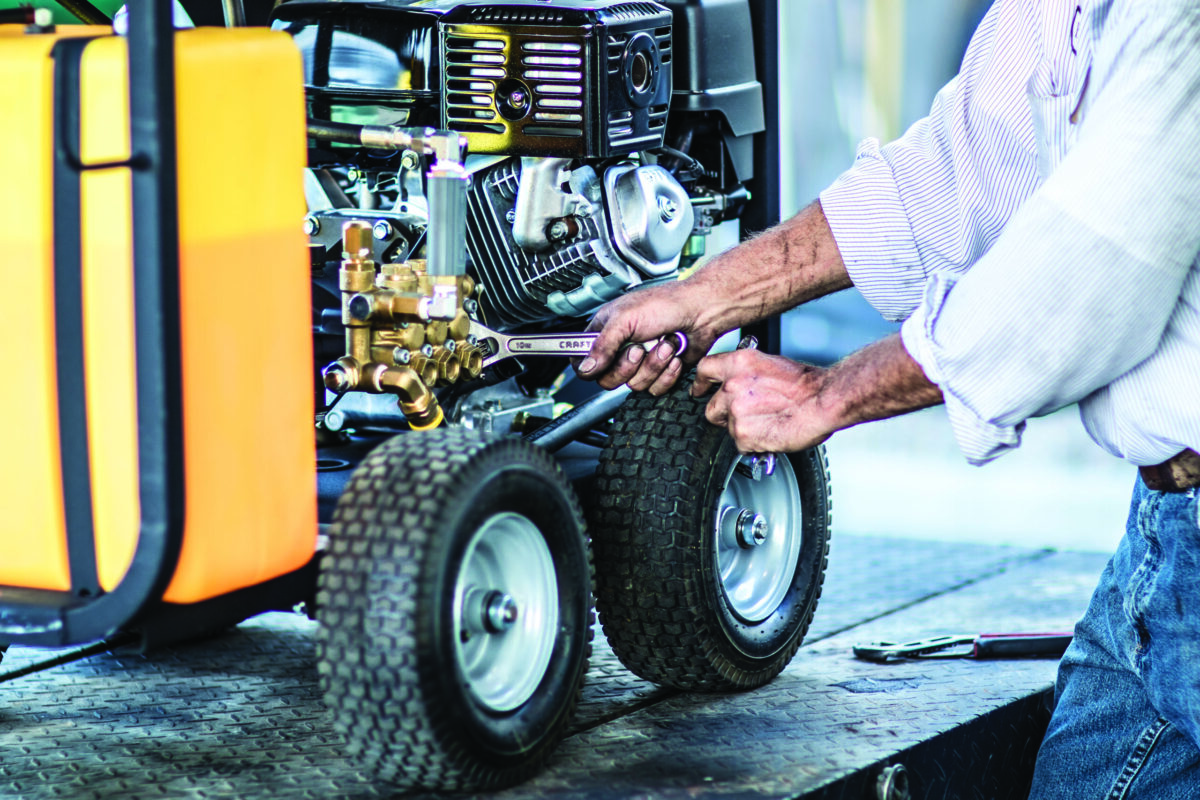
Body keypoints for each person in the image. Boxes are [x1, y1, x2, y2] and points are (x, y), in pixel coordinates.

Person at [576, 0, 1200, 796]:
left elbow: (1082, 278)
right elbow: (949, 179)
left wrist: (827, 394)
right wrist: (707, 295)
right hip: (1163, 543)